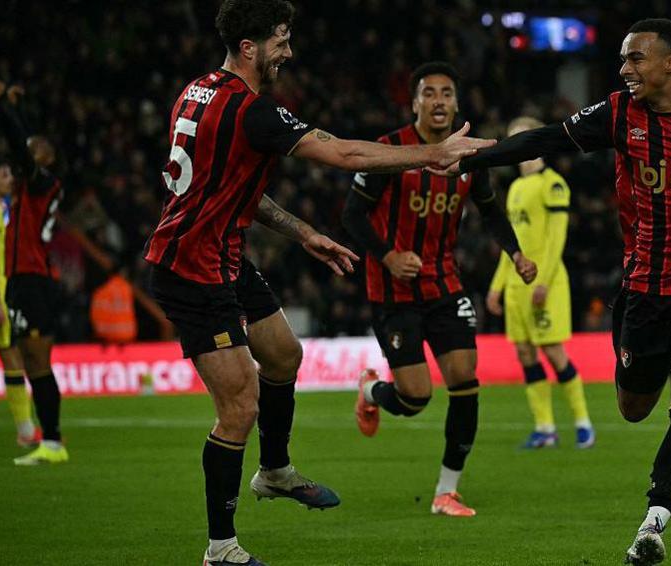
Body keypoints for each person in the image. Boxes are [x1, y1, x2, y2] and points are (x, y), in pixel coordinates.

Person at [437, 18, 671, 565]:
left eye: (635, 58)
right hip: (647, 284)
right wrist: (472, 156)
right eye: (623, 59)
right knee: (634, 407)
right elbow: (549, 138)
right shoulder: (619, 114)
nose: (624, 69)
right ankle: (650, 373)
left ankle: (654, 522)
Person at [143, 2, 494, 564]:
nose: (289, 51)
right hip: (192, 268)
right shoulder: (254, 111)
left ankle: (275, 470)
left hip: (225, 255)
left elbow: (233, 187)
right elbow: (344, 152)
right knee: (239, 409)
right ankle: (220, 549)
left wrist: (303, 231)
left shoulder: (198, 90)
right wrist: (434, 153)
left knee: (284, 355)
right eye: (281, 40)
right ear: (251, 47)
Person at [343, 61, 537, 517]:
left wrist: (516, 254)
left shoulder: (468, 156)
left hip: (445, 282)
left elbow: (490, 210)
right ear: (414, 103)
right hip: (392, 289)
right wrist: (388, 256)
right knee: (414, 398)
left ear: (456, 103)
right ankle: (371, 391)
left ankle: (446, 491)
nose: (438, 101)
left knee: (465, 379)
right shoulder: (389, 150)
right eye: (428, 93)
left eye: (446, 93)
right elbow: (351, 215)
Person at [486, 116, 595, 450]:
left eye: (522, 138)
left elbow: (555, 239)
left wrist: (543, 281)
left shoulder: (553, 184)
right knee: (524, 352)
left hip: (546, 282)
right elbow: (511, 245)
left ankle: (583, 423)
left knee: (553, 351)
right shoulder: (516, 189)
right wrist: (497, 286)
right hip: (516, 286)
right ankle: (545, 428)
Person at [0, 77, 66, 464]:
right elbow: (23, 143)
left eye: (35, 151)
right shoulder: (31, 185)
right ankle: (49, 441)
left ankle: (52, 441)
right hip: (23, 279)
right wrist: (14, 108)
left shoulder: (41, 182)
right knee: (33, 363)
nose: (25, 156)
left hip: (32, 279)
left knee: (37, 362)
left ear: (45, 159)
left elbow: (19, 145)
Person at [0, 156, 40, 449]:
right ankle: (26, 431)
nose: (10, 179)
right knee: (11, 356)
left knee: (10, 354)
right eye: (4, 174)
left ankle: (26, 430)